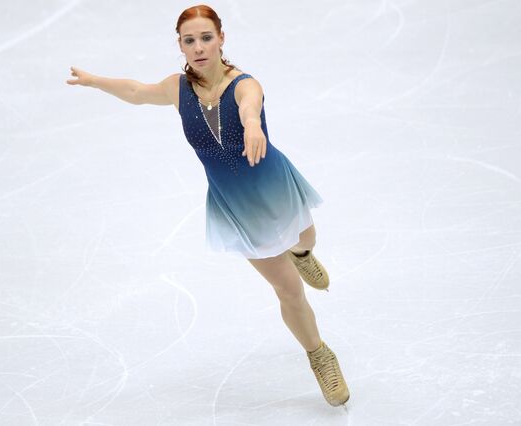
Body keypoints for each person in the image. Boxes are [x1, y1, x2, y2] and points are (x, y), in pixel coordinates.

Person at [66, 4, 350, 407]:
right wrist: (95, 80)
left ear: (221, 39)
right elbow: (136, 91)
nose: (198, 47)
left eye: (205, 37)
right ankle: (319, 353)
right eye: (189, 40)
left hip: (274, 185)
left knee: (306, 236)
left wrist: (252, 124)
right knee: (287, 289)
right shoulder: (176, 89)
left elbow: (251, 107)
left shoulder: (245, 84)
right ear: (180, 45)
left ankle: (302, 253)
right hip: (236, 206)